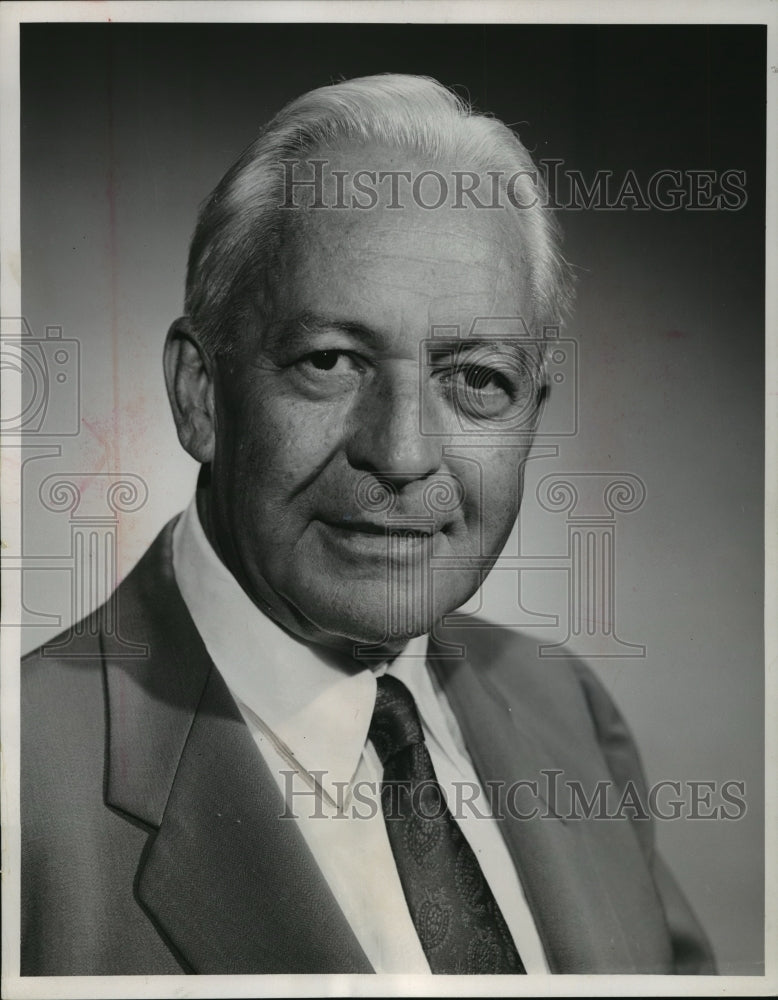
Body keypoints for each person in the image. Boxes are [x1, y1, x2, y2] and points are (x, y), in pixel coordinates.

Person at [21, 73, 715, 976]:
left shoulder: (569, 716)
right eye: (331, 360)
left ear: (532, 414)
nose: (401, 451)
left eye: (476, 379)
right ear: (202, 396)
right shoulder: (24, 788)